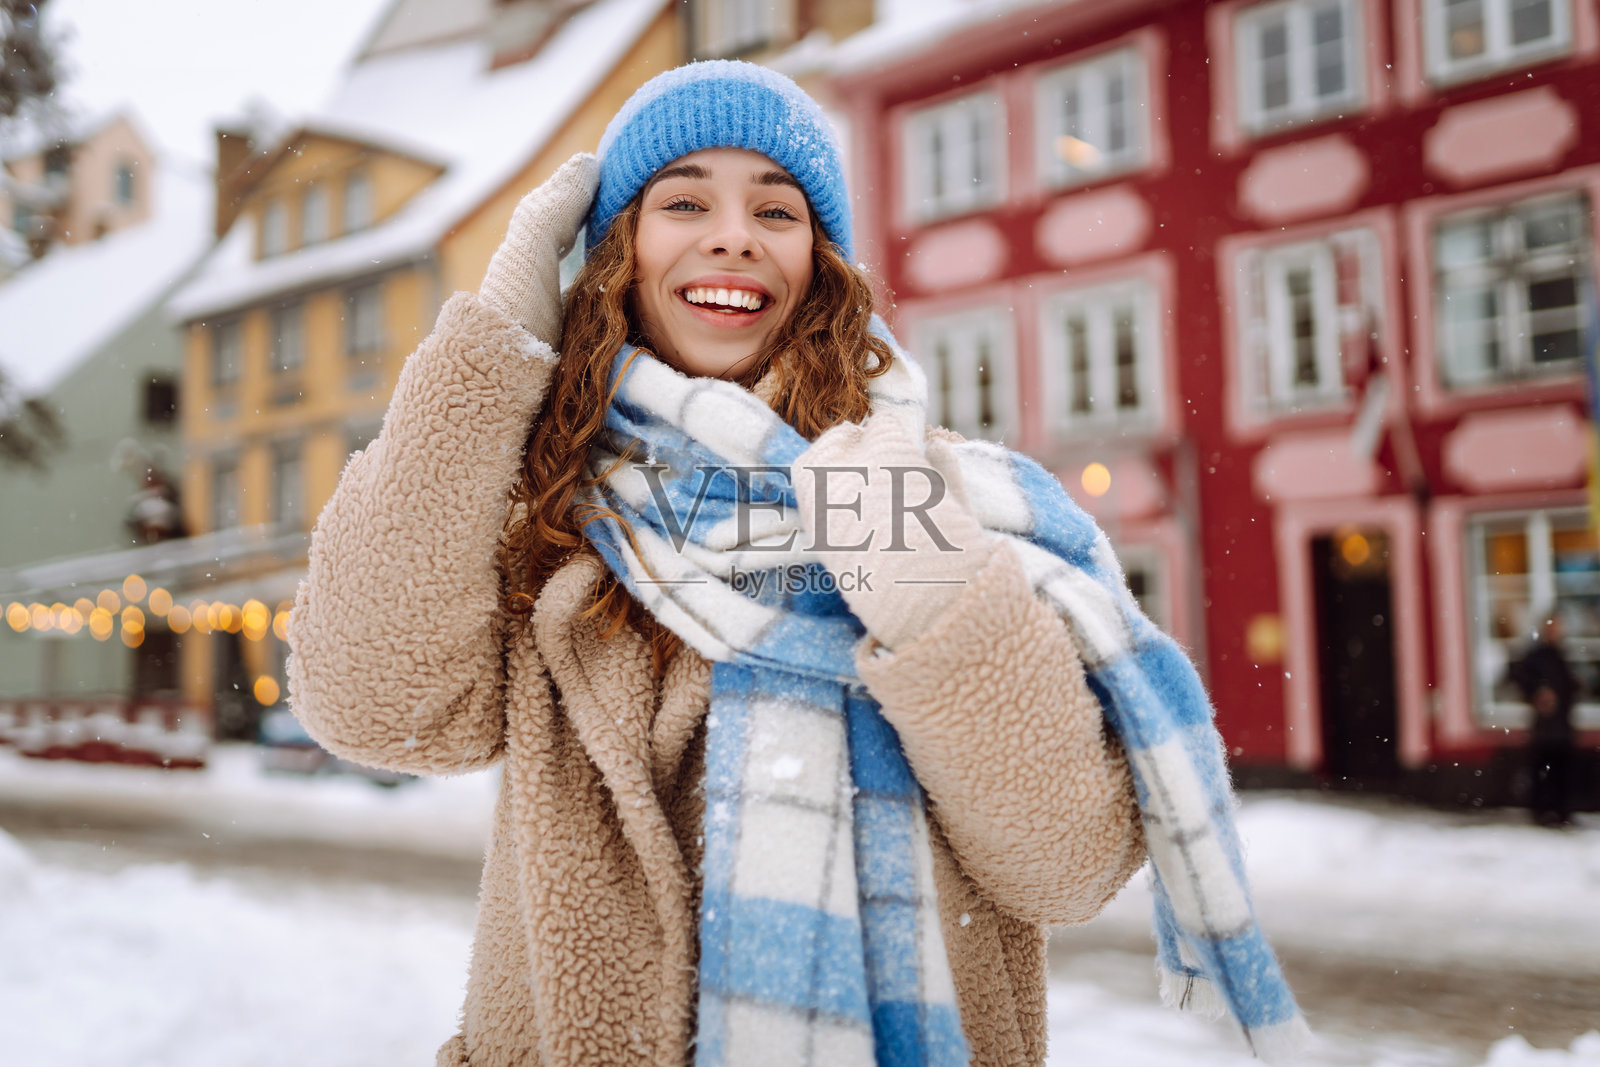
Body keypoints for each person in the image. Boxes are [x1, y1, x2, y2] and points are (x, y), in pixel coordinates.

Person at [288, 61, 1305, 1067]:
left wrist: (930, 588)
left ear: (821, 267)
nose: (732, 233)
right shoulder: (563, 521)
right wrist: (495, 349)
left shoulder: (937, 497)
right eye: (684, 200)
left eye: (776, 212)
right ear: (616, 259)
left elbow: (1067, 863)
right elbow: (372, 703)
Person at [1510, 614, 1580, 827]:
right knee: (1544, 771)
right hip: (1545, 729)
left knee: (1561, 772)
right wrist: (1537, 693)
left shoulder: (1561, 655)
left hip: (1562, 726)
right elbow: (1518, 676)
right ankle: (1543, 811)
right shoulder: (1537, 656)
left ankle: (1560, 811)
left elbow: (1571, 687)